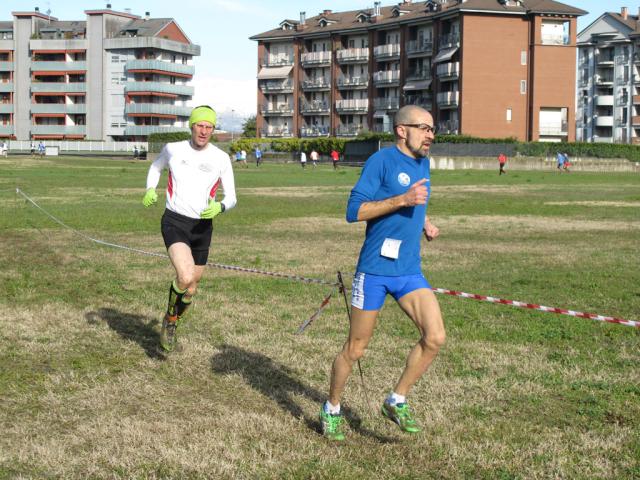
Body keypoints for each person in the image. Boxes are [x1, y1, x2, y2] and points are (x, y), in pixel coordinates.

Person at [320, 105, 445, 441]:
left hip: (408, 271)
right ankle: (331, 407)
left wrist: (425, 223)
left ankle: (396, 399)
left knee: (435, 337)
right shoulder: (380, 162)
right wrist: (401, 199)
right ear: (402, 130)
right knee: (355, 349)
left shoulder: (423, 162)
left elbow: (419, 202)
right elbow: (353, 211)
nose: (430, 134)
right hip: (374, 272)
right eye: (424, 127)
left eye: (433, 129)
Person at [141, 105, 237, 352]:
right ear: (191, 126)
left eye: (209, 126)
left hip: (203, 227)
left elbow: (233, 196)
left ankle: (173, 318)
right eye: (200, 125)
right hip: (175, 220)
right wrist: (151, 189)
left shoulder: (220, 158)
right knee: (184, 277)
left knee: (191, 288)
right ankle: (170, 321)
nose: (204, 131)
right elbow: (155, 167)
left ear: (213, 129)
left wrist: (222, 207)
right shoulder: (173, 149)